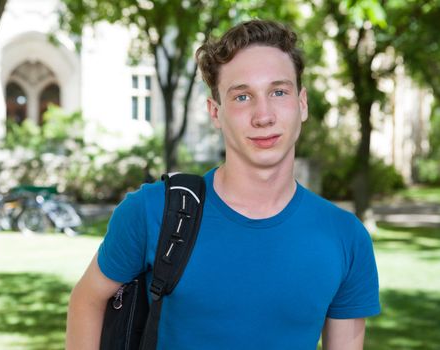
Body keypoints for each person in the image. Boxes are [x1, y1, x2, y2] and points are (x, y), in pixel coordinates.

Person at [66, 19, 380, 350]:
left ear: (302, 103)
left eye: (278, 92)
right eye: (242, 96)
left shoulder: (346, 237)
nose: (264, 115)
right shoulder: (152, 211)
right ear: (216, 113)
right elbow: (86, 301)